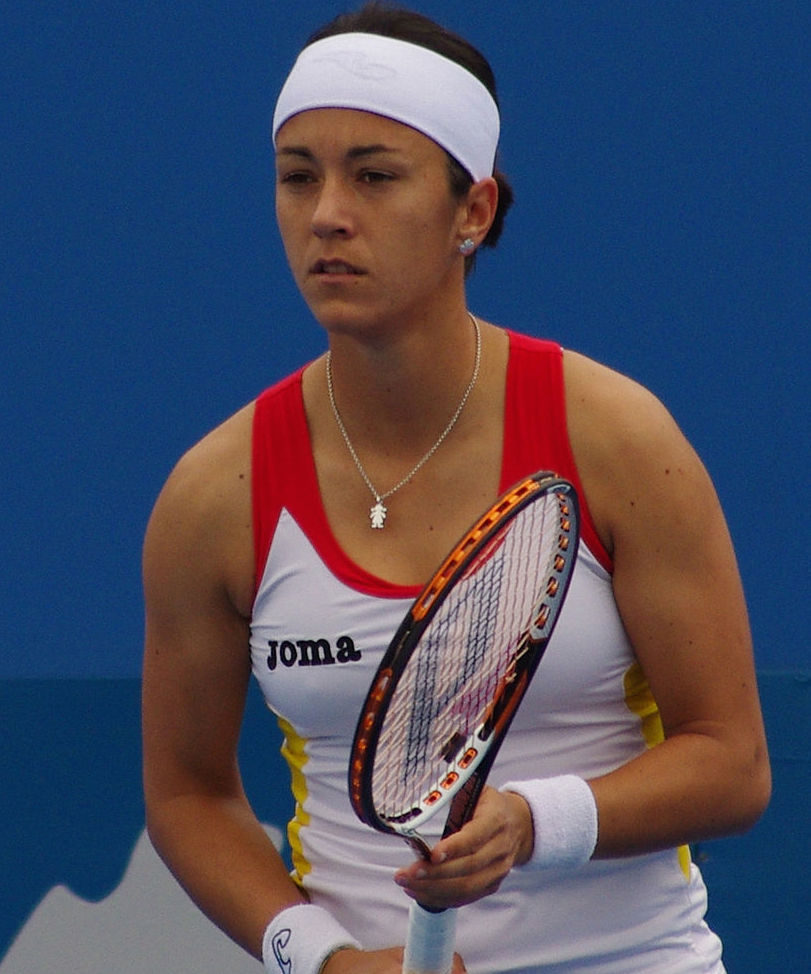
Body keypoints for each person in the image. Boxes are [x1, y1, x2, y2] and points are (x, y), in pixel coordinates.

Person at [141, 4, 771, 972]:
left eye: (374, 175)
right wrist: (323, 958)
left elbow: (732, 761)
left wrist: (531, 821)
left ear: (471, 212)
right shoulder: (212, 497)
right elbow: (188, 793)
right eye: (297, 176)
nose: (326, 213)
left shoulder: (616, 439)